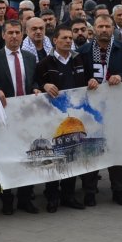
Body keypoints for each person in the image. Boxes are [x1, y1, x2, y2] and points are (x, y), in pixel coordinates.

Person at [79, 14, 122, 205]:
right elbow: (77, 77)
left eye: (107, 26)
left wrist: (121, 76)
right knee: (91, 148)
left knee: (116, 147)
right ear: (93, 29)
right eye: (100, 26)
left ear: (113, 28)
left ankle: (118, 190)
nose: (104, 29)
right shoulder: (83, 51)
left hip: (117, 108)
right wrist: (86, 81)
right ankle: (89, 190)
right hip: (91, 109)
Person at [35, 24, 97, 210]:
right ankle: (52, 196)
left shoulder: (79, 60)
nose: (69, 41)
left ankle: (69, 195)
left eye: (70, 38)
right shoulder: (44, 63)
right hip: (53, 117)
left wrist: (92, 81)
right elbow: (35, 83)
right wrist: (43, 86)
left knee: (72, 157)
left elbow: (90, 78)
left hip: (75, 116)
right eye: (65, 38)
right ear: (55, 40)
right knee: (55, 157)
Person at [0, 20, 40, 213]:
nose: (14, 36)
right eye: (10, 33)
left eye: (17, 32)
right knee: (5, 157)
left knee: (29, 156)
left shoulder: (31, 57)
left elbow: (34, 80)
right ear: (3, 36)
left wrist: (36, 88)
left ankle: (25, 198)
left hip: (27, 115)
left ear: (23, 35)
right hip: (4, 115)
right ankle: (6, 198)